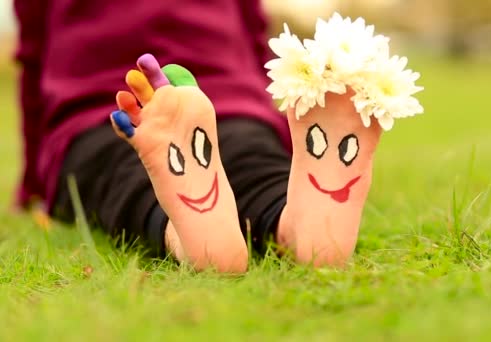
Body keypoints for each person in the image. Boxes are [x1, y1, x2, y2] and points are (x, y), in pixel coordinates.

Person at [14, 0, 386, 273]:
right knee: (251, 160)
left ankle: (184, 237)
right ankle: (290, 222)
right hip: (233, 95)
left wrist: (33, 181)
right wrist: (287, 147)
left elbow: (32, 59)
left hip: (98, 107)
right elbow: (254, 38)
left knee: (121, 176)